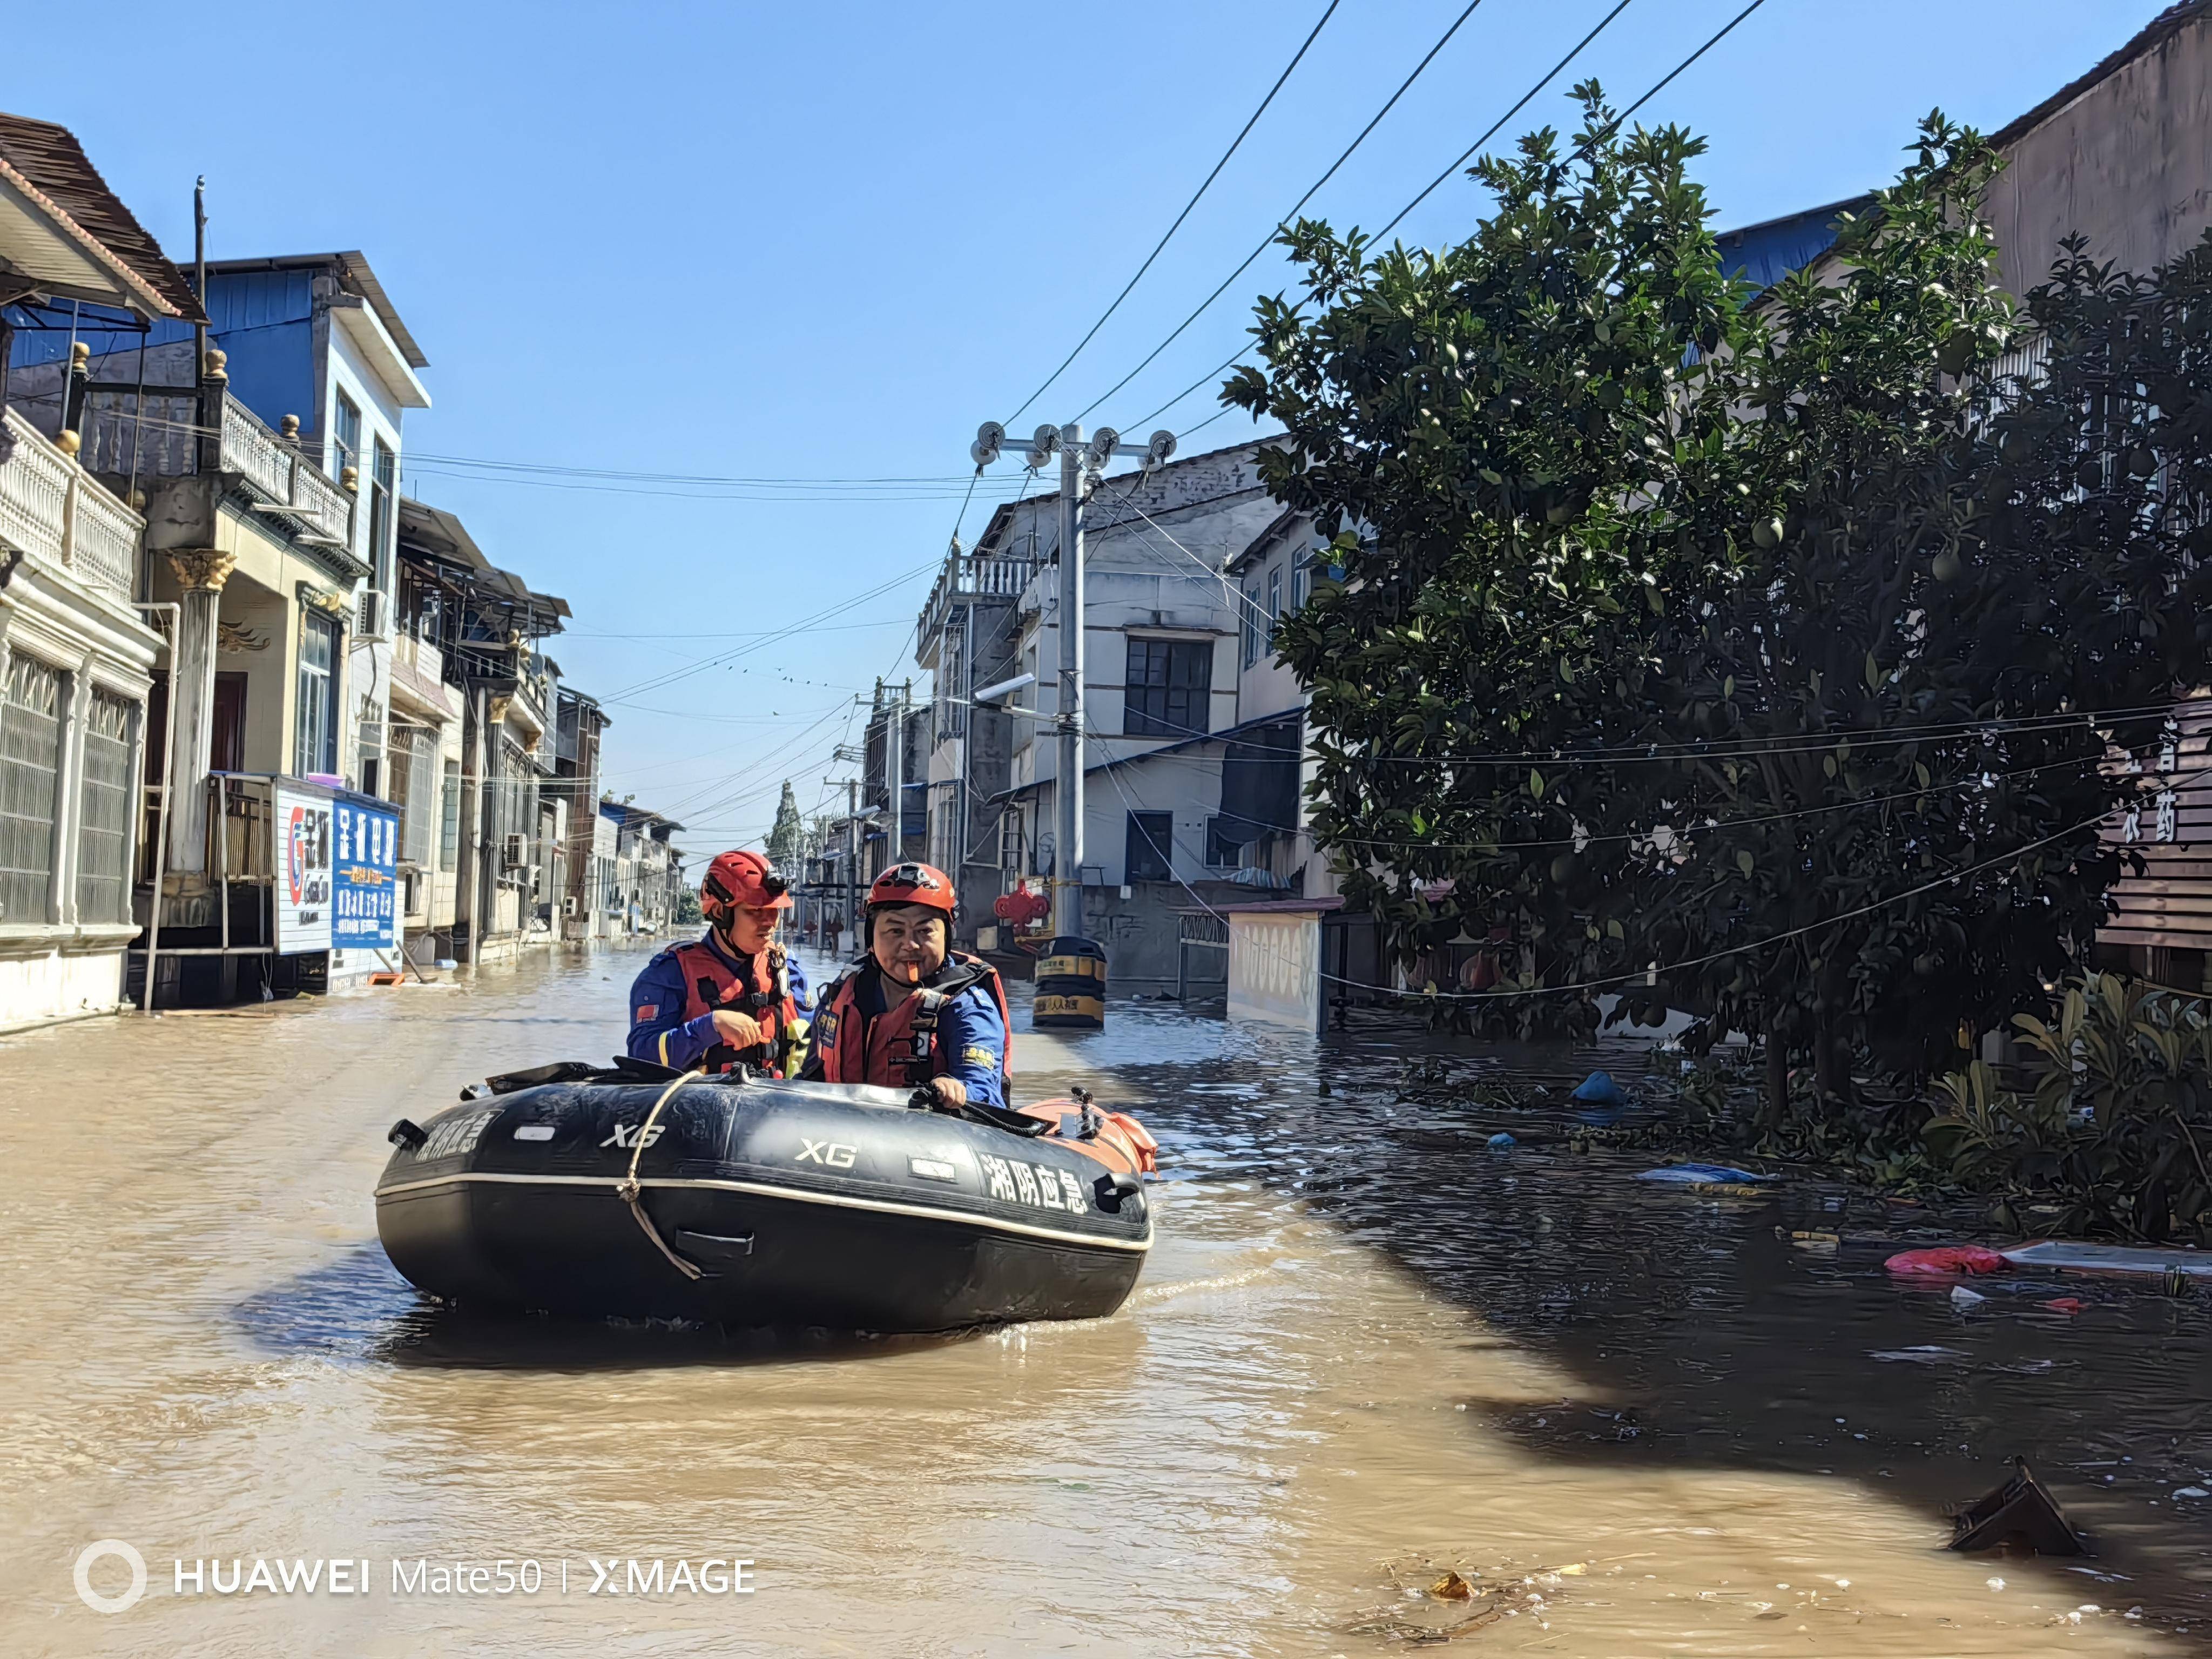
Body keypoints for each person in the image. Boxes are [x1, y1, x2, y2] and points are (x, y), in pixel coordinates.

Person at [801, 861, 1010, 1108]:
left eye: (925, 931)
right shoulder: (840, 994)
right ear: (871, 937)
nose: (910, 945)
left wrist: (956, 1089)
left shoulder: (968, 1008)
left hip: (926, 1139)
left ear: (946, 936)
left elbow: (983, 1088)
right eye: (895, 931)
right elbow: (810, 1077)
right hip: (842, 1134)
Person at [628, 849, 810, 1074]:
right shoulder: (670, 973)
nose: (769, 923)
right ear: (719, 912)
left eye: (774, 911)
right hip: (700, 1104)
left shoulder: (787, 968)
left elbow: (818, 1046)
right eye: (755, 911)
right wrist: (710, 1026)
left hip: (772, 1102)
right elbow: (641, 1055)